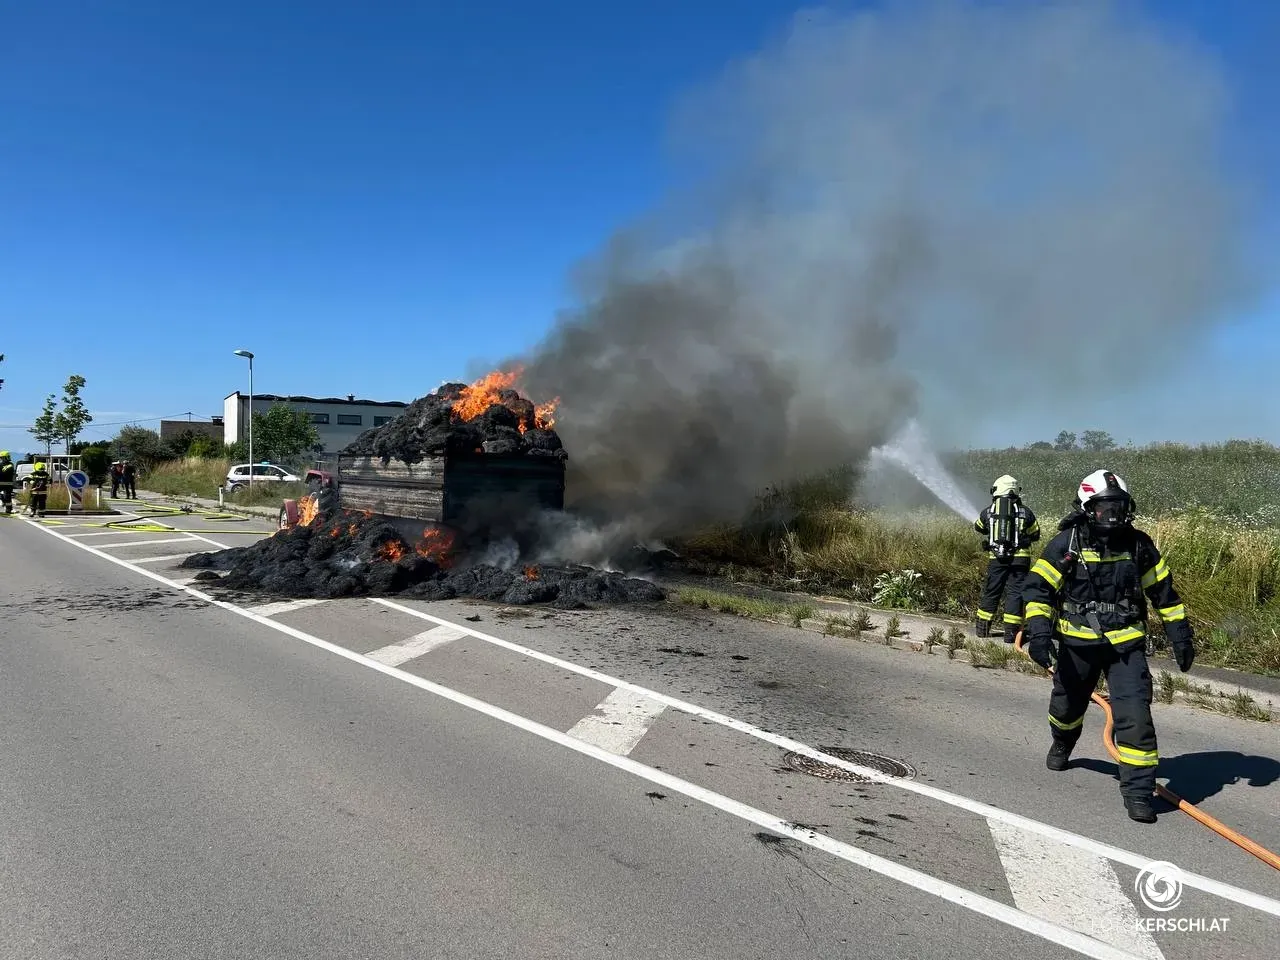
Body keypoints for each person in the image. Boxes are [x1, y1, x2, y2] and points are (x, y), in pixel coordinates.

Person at [1020, 469, 1195, 824]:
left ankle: (1138, 792)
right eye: (1105, 508)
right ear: (1088, 508)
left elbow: (1164, 593)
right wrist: (1039, 633)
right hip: (1077, 645)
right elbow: (1038, 590)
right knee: (1066, 707)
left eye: (1118, 507)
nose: (1113, 515)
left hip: (1125, 648)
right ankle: (1063, 741)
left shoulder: (1138, 544)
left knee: (1135, 717)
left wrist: (1180, 634)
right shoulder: (1066, 543)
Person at [972, 474, 1040, 642]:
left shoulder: (989, 511)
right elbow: (1036, 533)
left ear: (996, 490)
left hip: (996, 559)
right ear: (1016, 490)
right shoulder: (1026, 512)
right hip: (1020, 560)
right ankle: (1010, 635)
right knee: (1016, 593)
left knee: (992, 590)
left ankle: (982, 630)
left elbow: (978, 527)